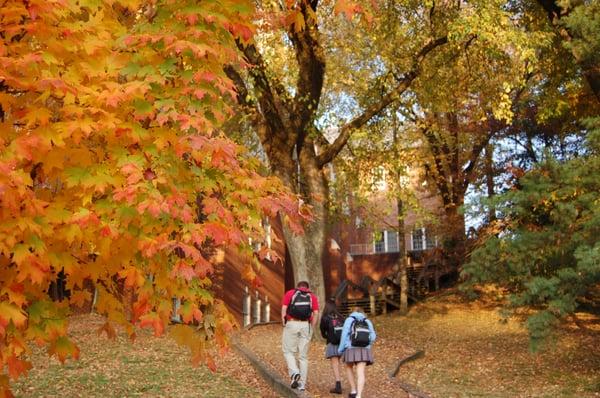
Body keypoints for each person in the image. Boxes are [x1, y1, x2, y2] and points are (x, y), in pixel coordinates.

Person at [281, 281, 319, 391]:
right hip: (305, 325)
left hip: (292, 323)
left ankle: (294, 372)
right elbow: (316, 313)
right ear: (307, 288)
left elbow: (284, 308)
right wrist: (312, 326)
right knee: (303, 357)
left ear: (298, 287)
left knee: (288, 351)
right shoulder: (312, 296)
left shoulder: (290, 293)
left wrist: (284, 322)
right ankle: (301, 384)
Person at [338, 306, 376, 398]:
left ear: (352, 312)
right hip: (364, 349)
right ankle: (359, 396)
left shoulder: (349, 320)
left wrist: (341, 349)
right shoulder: (367, 321)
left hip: (351, 348)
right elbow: (373, 336)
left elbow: (344, 335)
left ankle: (353, 390)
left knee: (348, 367)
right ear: (362, 312)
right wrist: (367, 344)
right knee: (361, 372)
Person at [319, 298, 344, 394]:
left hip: (332, 342)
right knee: (342, 363)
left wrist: (326, 337)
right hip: (342, 343)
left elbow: (322, 330)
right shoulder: (341, 317)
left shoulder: (325, 317)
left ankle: (338, 385)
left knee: (335, 363)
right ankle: (352, 384)